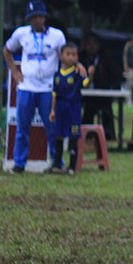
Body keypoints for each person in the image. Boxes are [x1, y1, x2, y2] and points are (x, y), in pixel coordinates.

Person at [3, 0, 70, 173]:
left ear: (45, 17)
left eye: (40, 17)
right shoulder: (21, 34)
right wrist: (14, 72)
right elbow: (7, 49)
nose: (37, 21)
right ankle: (19, 164)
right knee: (22, 127)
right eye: (33, 17)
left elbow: (65, 56)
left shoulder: (57, 36)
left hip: (48, 88)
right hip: (27, 87)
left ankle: (57, 163)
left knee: (52, 128)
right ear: (29, 19)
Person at [48, 42, 84, 175]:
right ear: (61, 56)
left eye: (73, 54)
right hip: (60, 108)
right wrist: (52, 110)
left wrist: (90, 75)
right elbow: (54, 93)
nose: (70, 57)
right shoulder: (57, 75)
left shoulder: (77, 72)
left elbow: (86, 82)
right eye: (68, 54)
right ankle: (57, 164)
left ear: (77, 57)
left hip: (73, 108)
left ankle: (72, 167)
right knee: (58, 136)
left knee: (73, 136)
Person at [80, 32, 122, 141]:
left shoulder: (105, 58)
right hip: (86, 96)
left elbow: (115, 74)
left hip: (103, 94)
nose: (91, 46)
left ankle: (108, 137)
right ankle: (86, 137)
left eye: (94, 43)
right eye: (89, 43)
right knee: (88, 112)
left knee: (106, 111)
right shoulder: (81, 58)